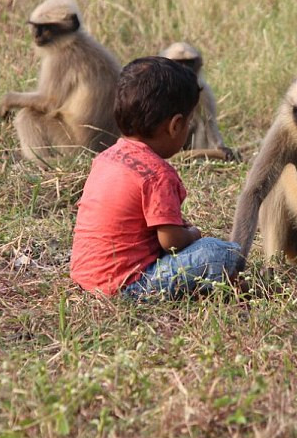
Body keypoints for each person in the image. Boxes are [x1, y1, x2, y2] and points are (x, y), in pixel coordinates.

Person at [70, 56, 243, 298]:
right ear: (175, 126)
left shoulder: (106, 158)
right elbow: (171, 242)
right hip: (128, 286)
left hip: (86, 275)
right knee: (222, 252)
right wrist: (193, 234)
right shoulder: (157, 174)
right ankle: (234, 287)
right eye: (188, 123)